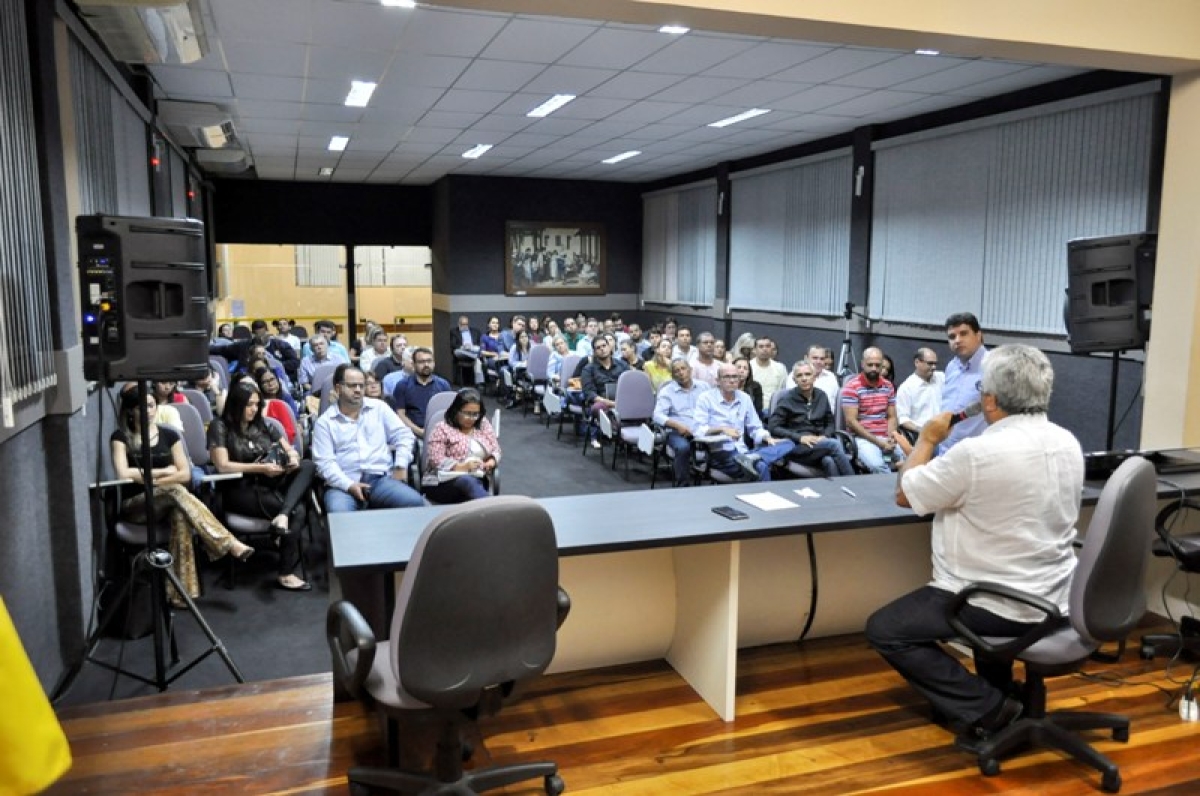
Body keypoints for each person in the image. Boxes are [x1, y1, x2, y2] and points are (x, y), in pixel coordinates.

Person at [866, 345, 1083, 752]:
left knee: (887, 630)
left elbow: (905, 494)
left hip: (997, 602)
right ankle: (999, 693)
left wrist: (927, 439)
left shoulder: (977, 453)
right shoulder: (1067, 441)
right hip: (1057, 595)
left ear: (990, 400)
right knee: (984, 588)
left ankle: (990, 709)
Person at [110, 388, 252, 605]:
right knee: (175, 490)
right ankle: (226, 541)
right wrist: (165, 472)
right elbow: (123, 473)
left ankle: (179, 595)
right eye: (141, 407)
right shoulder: (120, 437)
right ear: (131, 411)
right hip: (137, 506)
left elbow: (185, 474)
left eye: (151, 405)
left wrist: (149, 479)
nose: (148, 411)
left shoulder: (170, 435)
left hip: (168, 502)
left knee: (180, 514)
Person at [207, 383, 313, 591]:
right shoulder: (219, 426)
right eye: (249, 405)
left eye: (257, 404)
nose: (254, 409)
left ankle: (282, 516)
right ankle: (285, 572)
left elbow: (290, 450)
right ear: (236, 405)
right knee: (299, 509)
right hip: (239, 488)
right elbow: (222, 465)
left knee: (308, 465)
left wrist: (292, 458)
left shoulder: (264, 425)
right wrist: (260, 468)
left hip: (270, 482)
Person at [312, 364, 423, 512]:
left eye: (361, 385)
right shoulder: (325, 422)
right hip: (343, 484)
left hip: (380, 480)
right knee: (339, 513)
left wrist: (401, 465)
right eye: (352, 386)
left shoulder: (379, 408)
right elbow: (324, 463)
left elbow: (404, 435)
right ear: (338, 389)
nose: (358, 390)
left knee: (415, 502)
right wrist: (349, 485)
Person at [693, 364, 794, 481]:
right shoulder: (705, 398)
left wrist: (767, 438)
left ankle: (753, 457)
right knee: (761, 466)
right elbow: (698, 431)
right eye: (727, 377)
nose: (731, 380)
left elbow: (755, 428)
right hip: (720, 453)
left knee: (788, 443)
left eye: (735, 377)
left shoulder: (745, 398)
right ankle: (755, 461)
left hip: (742, 451)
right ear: (718, 380)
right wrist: (722, 429)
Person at [768, 360, 854, 477]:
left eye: (808, 374)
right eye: (799, 375)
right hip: (796, 446)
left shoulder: (821, 395)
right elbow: (773, 427)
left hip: (819, 444)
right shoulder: (787, 399)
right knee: (834, 445)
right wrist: (799, 438)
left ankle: (839, 488)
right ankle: (854, 482)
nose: (804, 378)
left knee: (828, 461)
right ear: (794, 380)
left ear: (814, 377)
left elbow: (830, 422)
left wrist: (825, 436)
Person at [420, 388, 500, 503]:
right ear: (456, 411)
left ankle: (488, 507)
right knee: (467, 482)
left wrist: (491, 461)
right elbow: (435, 459)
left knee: (471, 486)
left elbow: (496, 449)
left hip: (477, 477)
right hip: (442, 481)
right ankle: (491, 507)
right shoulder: (442, 428)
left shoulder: (483, 424)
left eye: (475, 414)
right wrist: (461, 466)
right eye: (467, 413)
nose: (471, 418)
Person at [840, 346, 901, 474]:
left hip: (885, 437)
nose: (874, 368)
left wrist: (890, 437)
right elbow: (851, 422)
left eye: (877, 365)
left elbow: (891, 416)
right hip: (863, 438)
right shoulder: (852, 387)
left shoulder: (888, 386)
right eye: (870, 365)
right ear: (863, 364)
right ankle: (889, 487)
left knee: (908, 459)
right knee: (878, 466)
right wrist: (879, 442)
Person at [652, 358, 709, 487]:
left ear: (690, 370)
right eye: (676, 371)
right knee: (683, 448)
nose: (681, 373)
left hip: (702, 429)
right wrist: (678, 426)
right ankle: (683, 486)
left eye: (683, 369)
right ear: (672, 375)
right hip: (677, 432)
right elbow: (657, 415)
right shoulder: (667, 391)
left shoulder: (704, 387)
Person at [940, 312, 988, 454]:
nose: (957, 340)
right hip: (945, 450)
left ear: (978, 335)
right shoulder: (951, 366)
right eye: (952, 337)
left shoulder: (993, 365)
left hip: (976, 453)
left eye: (963, 334)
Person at [580, 335, 629, 449]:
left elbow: (630, 386)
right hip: (602, 402)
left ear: (609, 347)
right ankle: (616, 431)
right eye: (598, 348)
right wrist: (612, 403)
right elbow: (590, 394)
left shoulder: (622, 365)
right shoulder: (588, 369)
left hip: (621, 400)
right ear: (594, 351)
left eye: (604, 345)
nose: (602, 349)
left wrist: (621, 402)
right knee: (598, 407)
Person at [392, 347, 452, 438]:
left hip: (440, 433)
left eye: (429, 361)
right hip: (411, 434)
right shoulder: (403, 386)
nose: (426, 364)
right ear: (414, 364)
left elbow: (450, 413)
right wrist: (420, 432)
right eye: (421, 362)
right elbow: (400, 414)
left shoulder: (443, 385)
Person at [895, 347, 944, 441]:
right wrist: (921, 430)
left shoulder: (941, 377)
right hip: (922, 436)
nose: (934, 367)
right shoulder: (907, 388)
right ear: (917, 362)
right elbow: (903, 419)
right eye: (930, 363)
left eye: (935, 364)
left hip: (945, 432)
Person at [750, 336, 788, 407]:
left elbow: (784, 391)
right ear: (754, 350)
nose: (765, 349)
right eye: (761, 346)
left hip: (774, 409)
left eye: (768, 346)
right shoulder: (749, 367)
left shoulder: (780, 368)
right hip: (753, 408)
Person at [449, 315, 484, 386]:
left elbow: (480, 344)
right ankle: (476, 357)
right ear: (459, 324)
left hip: (472, 350)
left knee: (478, 349)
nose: (465, 326)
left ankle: (479, 383)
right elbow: (453, 345)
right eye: (463, 324)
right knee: (457, 351)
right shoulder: (454, 332)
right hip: (461, 351)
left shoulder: (475, 331)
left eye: (466, 324)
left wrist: (471, 347)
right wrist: (463, 347)